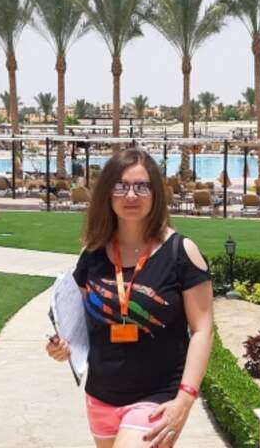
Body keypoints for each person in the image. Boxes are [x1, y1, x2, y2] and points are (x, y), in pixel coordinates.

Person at [46, 148, 214, 448]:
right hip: (101, 396)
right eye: (121, 186)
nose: (131, 195)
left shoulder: (180, 252)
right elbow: (76, 322)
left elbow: (203, 330)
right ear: (107, 193)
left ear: (156, 193)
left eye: (142, 186)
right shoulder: (92, 254)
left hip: (157, 396)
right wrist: (62, 346)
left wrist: (185, 399)